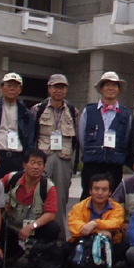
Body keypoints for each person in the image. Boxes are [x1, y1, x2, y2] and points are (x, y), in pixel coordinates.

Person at [30, 73, 79, 239]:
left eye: (62, 87)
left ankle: (58, 238)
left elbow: (77, 139)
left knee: (60, 198)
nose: (59, 90)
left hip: (64, 158)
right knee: (38, 197)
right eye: (56, 87)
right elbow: (32, 136)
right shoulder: (38, 109)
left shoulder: (73, 111)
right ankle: (36, 237)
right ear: (49, 89)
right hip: (43, 158)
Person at [0, 148, 60, 262]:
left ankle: (37, 252)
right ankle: (14, 251)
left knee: (53, 228)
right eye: (32, 163)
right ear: (24, 164)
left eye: (39, 164)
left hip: (34, 227)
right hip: (10, 226)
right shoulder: (12, 178)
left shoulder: (48, 187)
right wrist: (3, 203)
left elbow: (50, 214)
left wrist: (32, 226)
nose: (36, 167)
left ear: (44, 167)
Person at [79, 71, 132, 199]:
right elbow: (81, 136)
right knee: (88, 196)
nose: (110, 88)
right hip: (92, 162)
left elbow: (127, 138)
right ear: (101, 89)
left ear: (119, 90)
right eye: (107, 85)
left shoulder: (126, 114)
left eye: (114, 85)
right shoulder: (89, 111)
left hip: (114, 164)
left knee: (113, 198)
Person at [0, 72, 34, 178]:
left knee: (15, 186)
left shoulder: (25, 112)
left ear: (20, 90)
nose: (12, 89)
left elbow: (30, 139)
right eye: (8, 85)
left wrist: (27, 158)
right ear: (1, 87)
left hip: (17, 157)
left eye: (16, 86)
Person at [67, 172, 125, 265]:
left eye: (104, 190)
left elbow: (116, 223)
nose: (100, 193)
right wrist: (99, 233)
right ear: (90, 191)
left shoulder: (117, 207)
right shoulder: (79, 207)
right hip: (84, 242)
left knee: (124, 249)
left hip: (109, 245)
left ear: (110, 192)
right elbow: (74, 227)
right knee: (65, 248)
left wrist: (95, 223)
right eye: (96, 189)